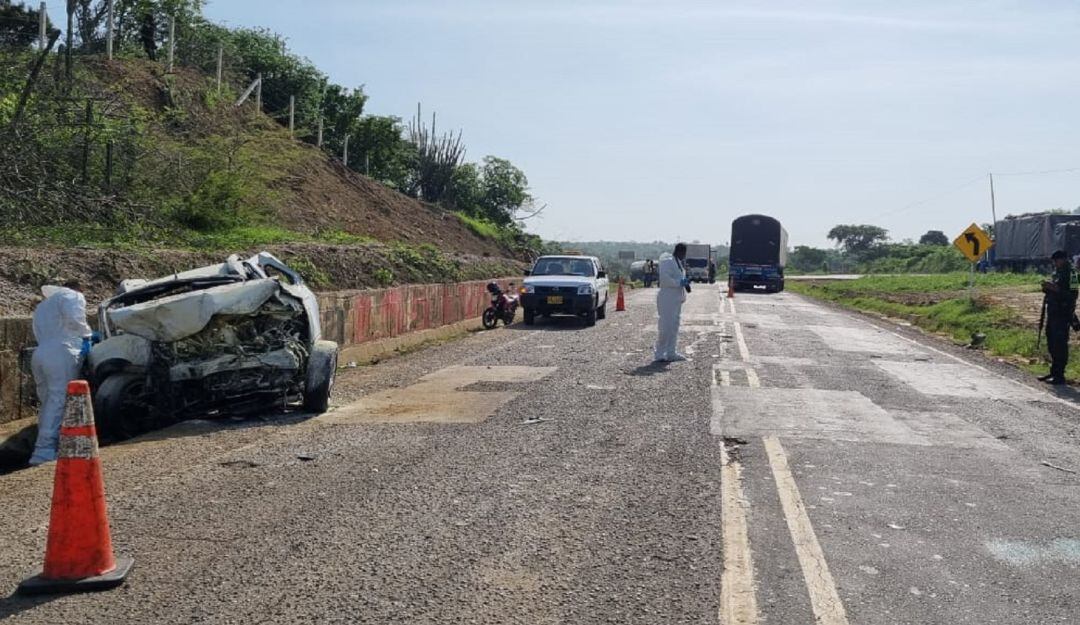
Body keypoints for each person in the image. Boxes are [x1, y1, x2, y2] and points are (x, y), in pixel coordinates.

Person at [28, 280, 92, 465]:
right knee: (58, 400)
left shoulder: (43, 306)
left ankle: (45, 446)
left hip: (40, 353)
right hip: (61, 351)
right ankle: (44, 451)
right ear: (78, 289)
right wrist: (87, 335)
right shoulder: (73, 295)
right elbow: (75, 319)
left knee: (47, 401)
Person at [1039, 250, 1078, 385]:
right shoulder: (1057, 272)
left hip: (1063, 313)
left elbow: (1073, 295)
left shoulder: (1073, 274)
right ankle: (1054, 371)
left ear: (1064, 259)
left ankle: (1059, 375)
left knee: (1060, 344)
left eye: (1057, 261)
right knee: (1052, 342)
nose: (1055, 263)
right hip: (1053, 312)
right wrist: (1047, 288)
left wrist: (1056, 289)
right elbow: (1054, 289)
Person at [654, 243, 691, 362]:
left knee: (674, 327)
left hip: (676, 299)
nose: (684, 256)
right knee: (665, 326)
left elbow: (678, 278)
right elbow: (664, 279)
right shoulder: (667, 261)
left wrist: (684, 283)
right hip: (667, 298)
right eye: (684, 253)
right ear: (679, 251)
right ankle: (659, 353)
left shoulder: (679, 263)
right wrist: (679, 282)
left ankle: (671, 352)